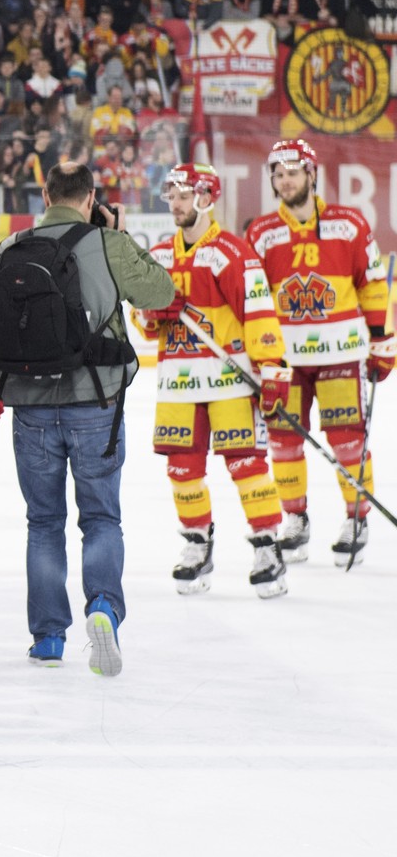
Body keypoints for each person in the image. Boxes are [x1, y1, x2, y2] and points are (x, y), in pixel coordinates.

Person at [0, 161, 174, 675]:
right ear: (92, 196)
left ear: (45, 193)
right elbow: (160, 293)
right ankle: (103, 608)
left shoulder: (11, 248)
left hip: (30, 406)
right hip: (93, 402)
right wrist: (116, 236)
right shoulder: (107, 243)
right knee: (100, 517)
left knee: (43, 521)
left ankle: (49, 638)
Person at [136, 163, 288, 597]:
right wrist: (149, 313)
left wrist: (273, 371)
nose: (177, 204)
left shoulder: (232, 252)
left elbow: (258, 313)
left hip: (230, 382)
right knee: (182, 470)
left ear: (206, 198)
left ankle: (267, 546)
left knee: (246, 465)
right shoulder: (160, 256)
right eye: (173, 196)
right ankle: (197, 543)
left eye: (185, 196)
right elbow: (146, 329)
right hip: (177, 383)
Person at [245, 140, 392, 568]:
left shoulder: (349, 224)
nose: (284, 179)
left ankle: (356, 518)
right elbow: (252, 299)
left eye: (292, 171)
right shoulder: (262, 232)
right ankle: (295, 518)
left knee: (348, 441)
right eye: (277, 172)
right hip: (283, 361)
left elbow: (372, 283)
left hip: (340, 354)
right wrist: (256, 355)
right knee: (283, 442)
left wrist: (382, 341)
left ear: (311, 173)